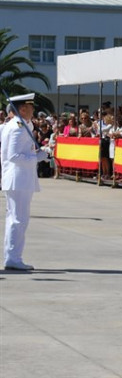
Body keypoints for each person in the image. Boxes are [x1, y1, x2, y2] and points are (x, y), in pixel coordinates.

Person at [2, 93, 49, 270]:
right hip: (18, 178)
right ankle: (13, 258)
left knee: (17, 218)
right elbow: (13, 156)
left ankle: (12, 255)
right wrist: (37, 157)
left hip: (21, 178)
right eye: (31, 107)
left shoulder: (23, 124)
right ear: (22, 109)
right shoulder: (17, 127)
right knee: (18, 219)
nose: (34, 110)